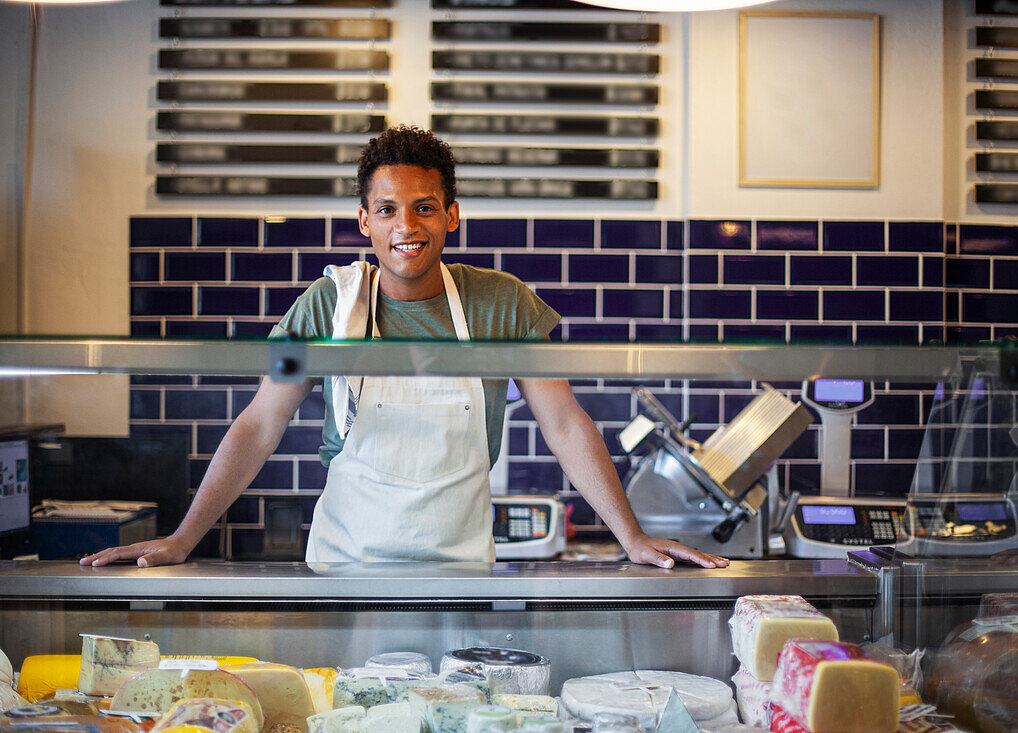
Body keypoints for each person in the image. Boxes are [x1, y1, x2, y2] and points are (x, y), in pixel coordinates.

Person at [82, 125, 728, 570]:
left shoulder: (501, 302)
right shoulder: (324, 306)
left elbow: (562, 421)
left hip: (461, 568)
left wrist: (631, 535)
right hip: (345, 565)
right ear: (364, 220)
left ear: (452, 214)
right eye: (387, 210)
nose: (406, 227)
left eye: (423, 208)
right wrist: (184, 537)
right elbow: (260, 422)